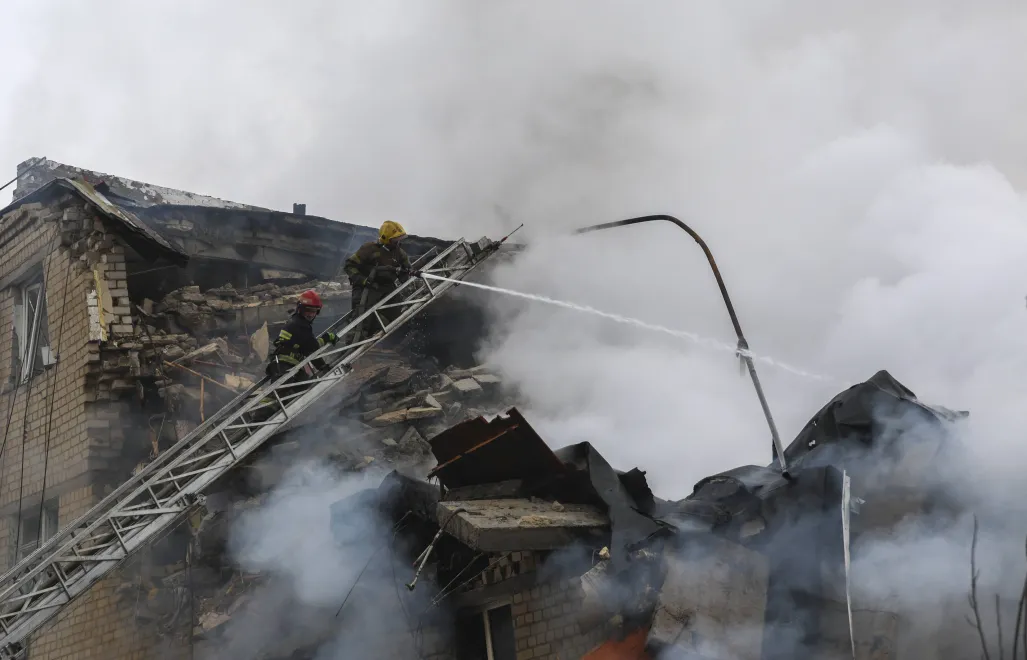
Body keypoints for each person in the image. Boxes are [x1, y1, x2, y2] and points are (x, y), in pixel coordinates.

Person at [342, 220, 414, 341]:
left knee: (396, 314)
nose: (398, 242)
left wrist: (408, 273)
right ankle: (350, 347)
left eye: (399, 239)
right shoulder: (369, 249)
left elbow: (407, 269)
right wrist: (363, 280)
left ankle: (375, 331)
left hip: (387, 288)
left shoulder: (400, 253)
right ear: (386, 238)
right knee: (361, 320)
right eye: (395, 240)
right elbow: (349, 266)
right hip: (367, 288)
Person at [266, 289, 338, 380]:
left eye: (314, 311)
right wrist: (326, 338)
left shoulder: (295, 321)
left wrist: (322, 366)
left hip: (281, 366)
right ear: (300, 309)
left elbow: (308, 350)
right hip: (286, 367)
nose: (311, 314)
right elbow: (313, 348)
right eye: (308, 310)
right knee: (300, 389)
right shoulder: (301, 325)